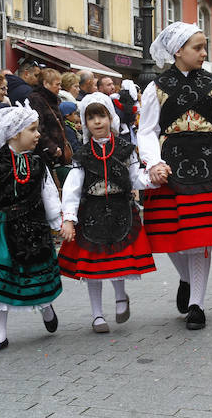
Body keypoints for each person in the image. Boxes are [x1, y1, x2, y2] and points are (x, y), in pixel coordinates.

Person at [137, 22, 212, 330]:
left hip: (210, 162)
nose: (203, 53)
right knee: (170, 235)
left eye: (204, 46)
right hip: (169, 167)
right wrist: (153, 163)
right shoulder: (155, 87)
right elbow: (146, 131)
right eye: (197, 47)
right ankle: (186, 278)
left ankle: (197, 303)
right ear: (178, 51)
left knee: (202, 237)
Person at [0, 105, 63, 353]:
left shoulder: (39, 164)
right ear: (14, 134)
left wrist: (57, 223)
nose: (38, 133)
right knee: (0, 280)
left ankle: (45, 305)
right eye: (32, 129)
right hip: (1, 228)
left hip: (33, 225)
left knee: (35, 270)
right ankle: (0, 334)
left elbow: (49, 194)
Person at [58, 93, 156, 333]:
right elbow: (72, 187)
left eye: (101, 115)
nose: (97, 122)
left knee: (118, 260)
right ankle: (97, 315)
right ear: (85, 122)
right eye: (91, 117)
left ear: (110, 118)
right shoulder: (82, 154)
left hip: (122, 210)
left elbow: (135, 177)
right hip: (92, 212)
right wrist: (69, 218)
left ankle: (121, 296)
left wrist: (153, 177)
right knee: (93, 268)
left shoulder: (125, 149)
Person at [27, 68, 68, 171]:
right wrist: (51, 147)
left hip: (54, 152)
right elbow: (38, 127)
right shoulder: (37, 99)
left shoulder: (52, 99)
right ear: (46, 83)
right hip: (45, 153)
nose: (60, 87)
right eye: (57, 84)